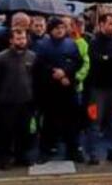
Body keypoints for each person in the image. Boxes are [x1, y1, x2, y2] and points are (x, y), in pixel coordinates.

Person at [33, 17, 84, 163]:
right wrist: (54, 72)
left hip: (67, 87)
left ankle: (73, 150)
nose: (60, 30)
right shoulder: (42, 45)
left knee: (71, 121)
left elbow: (78, 62)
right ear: (51, 30)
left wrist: (66, 72)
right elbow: (39, 65)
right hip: (49, 89)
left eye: (62, 28)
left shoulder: (71, 44)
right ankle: (45, 150)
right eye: (57, 28)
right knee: (49, 122)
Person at [0, 27, 36, 168]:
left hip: (26, 100)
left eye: (23, 38)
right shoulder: (2, 58)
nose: (21, 41)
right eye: (18, 39)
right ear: (11, 40)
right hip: (7, 102)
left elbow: (35, 78)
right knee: (6, 131)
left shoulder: (32, 56)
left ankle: (22, 156)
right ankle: (4, 158)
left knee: (24, 131)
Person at [86, 12, 112, 164]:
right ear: (101, 24)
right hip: (98, 88)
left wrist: (108, 57)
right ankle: (93, 153)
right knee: (95, 121)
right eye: (110, 24)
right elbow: (97, 60)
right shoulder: (94, 42)